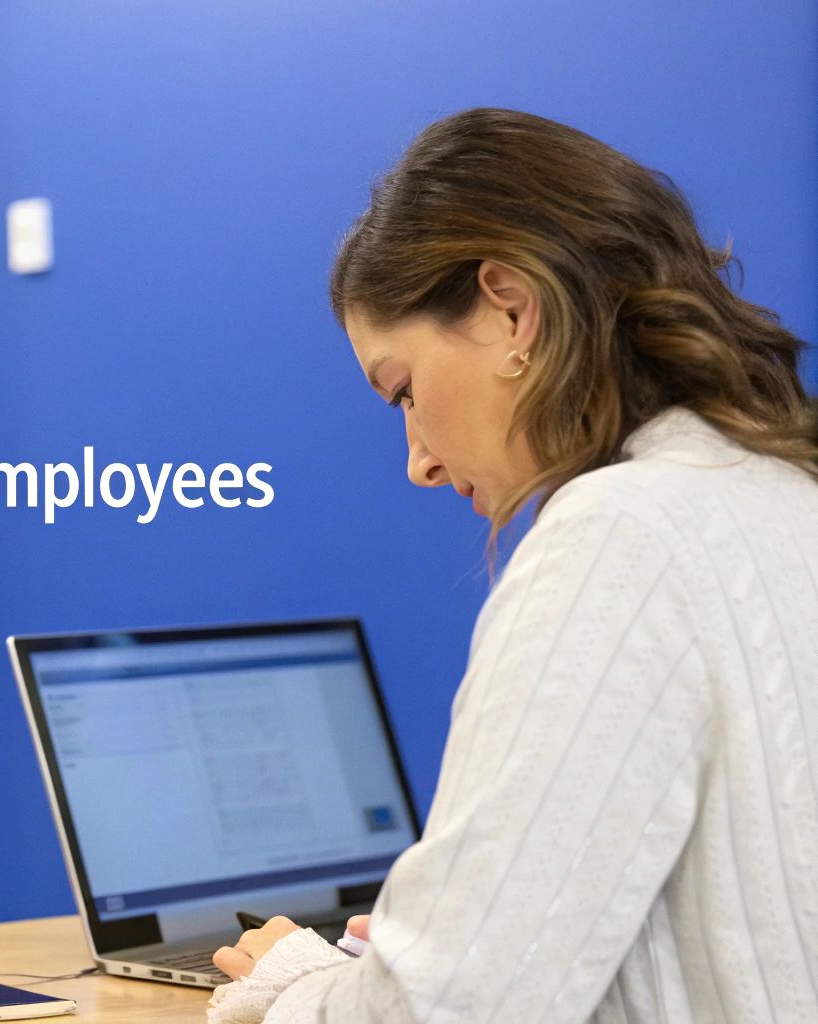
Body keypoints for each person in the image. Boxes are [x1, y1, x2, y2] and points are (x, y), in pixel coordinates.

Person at [206, 108, 818, 1023]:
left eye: (403, 391)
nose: (418, 462)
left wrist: (295, 981)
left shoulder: (617, 538)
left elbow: (451, 1011)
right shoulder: (783, 494)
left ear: (511, 308)